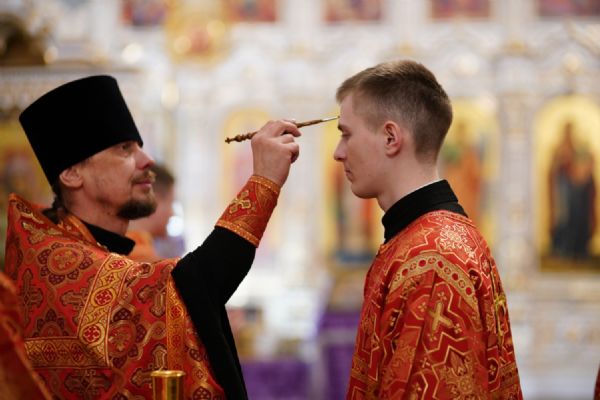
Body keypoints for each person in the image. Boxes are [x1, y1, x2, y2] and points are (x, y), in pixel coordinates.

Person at [5, 75, 300, 399]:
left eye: (139, 147)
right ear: (72, 174)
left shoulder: (96, 248)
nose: (147, 161)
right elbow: (190, 286)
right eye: (125, 149)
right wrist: (263, 182)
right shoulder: (56, 262)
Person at [332, 60, 522, 399]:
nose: (338, 153)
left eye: (346, 134)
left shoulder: (432, 258)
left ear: (391, 138)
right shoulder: (421, 239)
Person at [127, 162, 181, 262]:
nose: (172, 213)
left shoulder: (107, 251)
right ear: (154, 200)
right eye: (171, 202)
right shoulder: (148, 262)